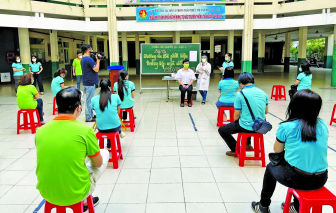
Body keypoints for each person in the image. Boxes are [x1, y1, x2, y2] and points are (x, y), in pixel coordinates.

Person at [251, 90, 328, 213]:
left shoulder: (286, 126)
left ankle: (263, 206)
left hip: (298, 179)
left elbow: (277, 150)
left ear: (294, 106)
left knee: (272, 167)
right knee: (298, 165)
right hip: (321, 179)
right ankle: (297, 206)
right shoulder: (323, 125)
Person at [35, 87, 109, 211]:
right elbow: (98, 163)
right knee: (104, 153)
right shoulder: (85, 131)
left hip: (47, 192)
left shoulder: (40, 131)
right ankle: (85, 200)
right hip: (76, 192)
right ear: (79, 108)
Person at [218, 72, 268, 156]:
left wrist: (235, 122)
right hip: (260, 126)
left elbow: (236, 116)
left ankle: (235, 149)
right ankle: (248, 144)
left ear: (241, 83)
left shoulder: (240, 94)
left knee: (222, 130)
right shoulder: (263, 93)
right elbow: (266, 111)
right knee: (247, 120)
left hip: (247, 126)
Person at [92, 79, 125, 149]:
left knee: (106, 122)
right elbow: (118, 112)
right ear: (110, 87)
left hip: (101, 128)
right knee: (114, 122)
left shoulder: (93, 99)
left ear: (100, 87)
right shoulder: (116, 96)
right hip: (115, 126)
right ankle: (119, 131)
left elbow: (97, 112)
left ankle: (108, 145)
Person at [81, 44, 101, 122]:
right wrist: (98, 61)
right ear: (88, 50)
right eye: (91, 49)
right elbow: (96, 69)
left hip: (87, 82)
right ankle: (88, 117)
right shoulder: (88, 59)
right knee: (89, 101)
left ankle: (91, 114)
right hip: (90, 83)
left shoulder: (83, 59)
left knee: (89, 100)